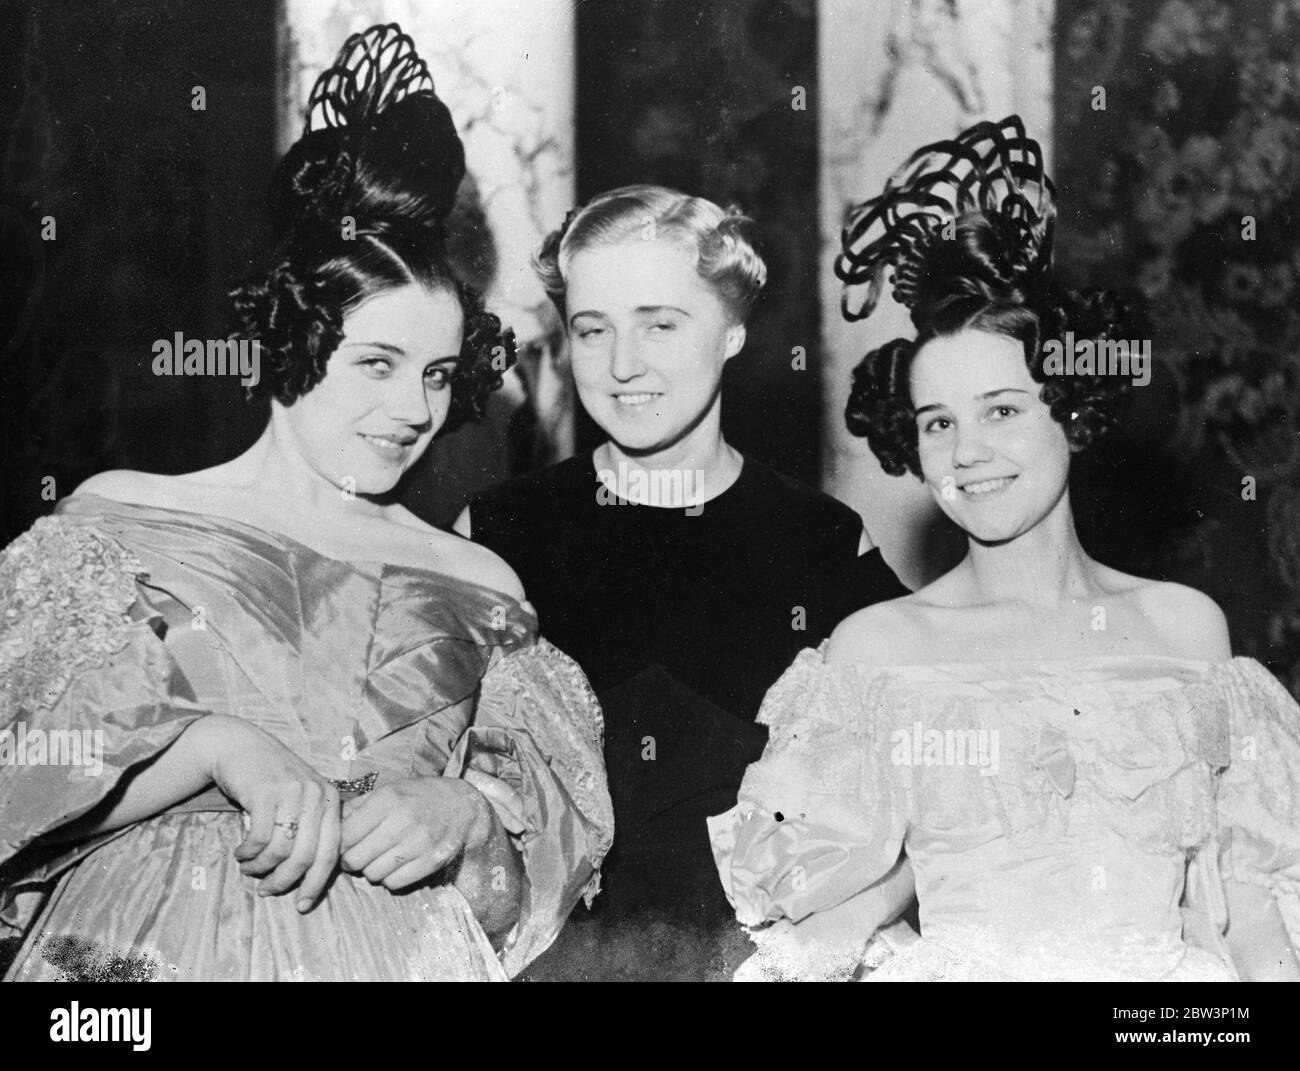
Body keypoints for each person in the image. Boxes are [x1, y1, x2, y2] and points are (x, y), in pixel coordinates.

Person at [0, 23, 611, 982]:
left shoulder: (479, 585)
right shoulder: (117, 525)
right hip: (136, 967)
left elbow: (527, 894)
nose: (415, 408)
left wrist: (471, 815)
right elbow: (18, 793)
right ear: (290, 342)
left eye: (440, 374)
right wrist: (210, 747)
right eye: (378, 363)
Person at [710, 116, 1300, 981]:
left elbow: (1249, 911)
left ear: (1072, 408)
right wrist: (903, 881)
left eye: (1002, 410)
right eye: (938, 422)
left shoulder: (1188, 633)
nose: (967, 452)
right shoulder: (877, 650)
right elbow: (811, 922)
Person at [455, 185, 910, 980]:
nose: (623, 365)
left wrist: (848, 928)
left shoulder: (825, 543)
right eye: (592, 331)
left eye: (661, 324)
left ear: (733, 331)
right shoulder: (496, 535)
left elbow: (942, 793)